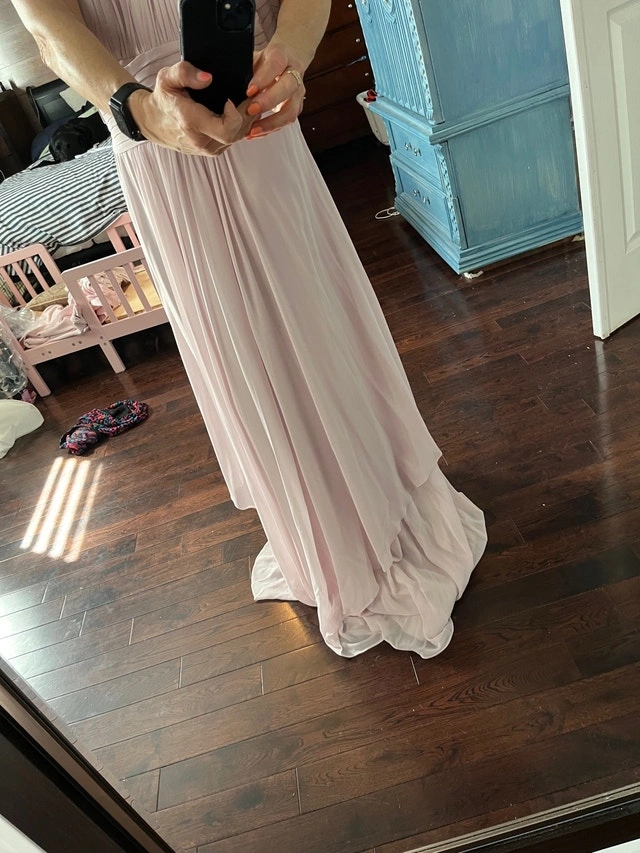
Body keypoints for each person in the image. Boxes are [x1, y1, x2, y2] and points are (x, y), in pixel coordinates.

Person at [13, 0, 487, 658]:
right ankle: (323, 536)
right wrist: (138, 108)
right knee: (244, 353)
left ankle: (382, 509)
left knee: (322, 328)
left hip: (264, 121)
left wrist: (291, 57)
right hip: (156, 148)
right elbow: (47, 30)